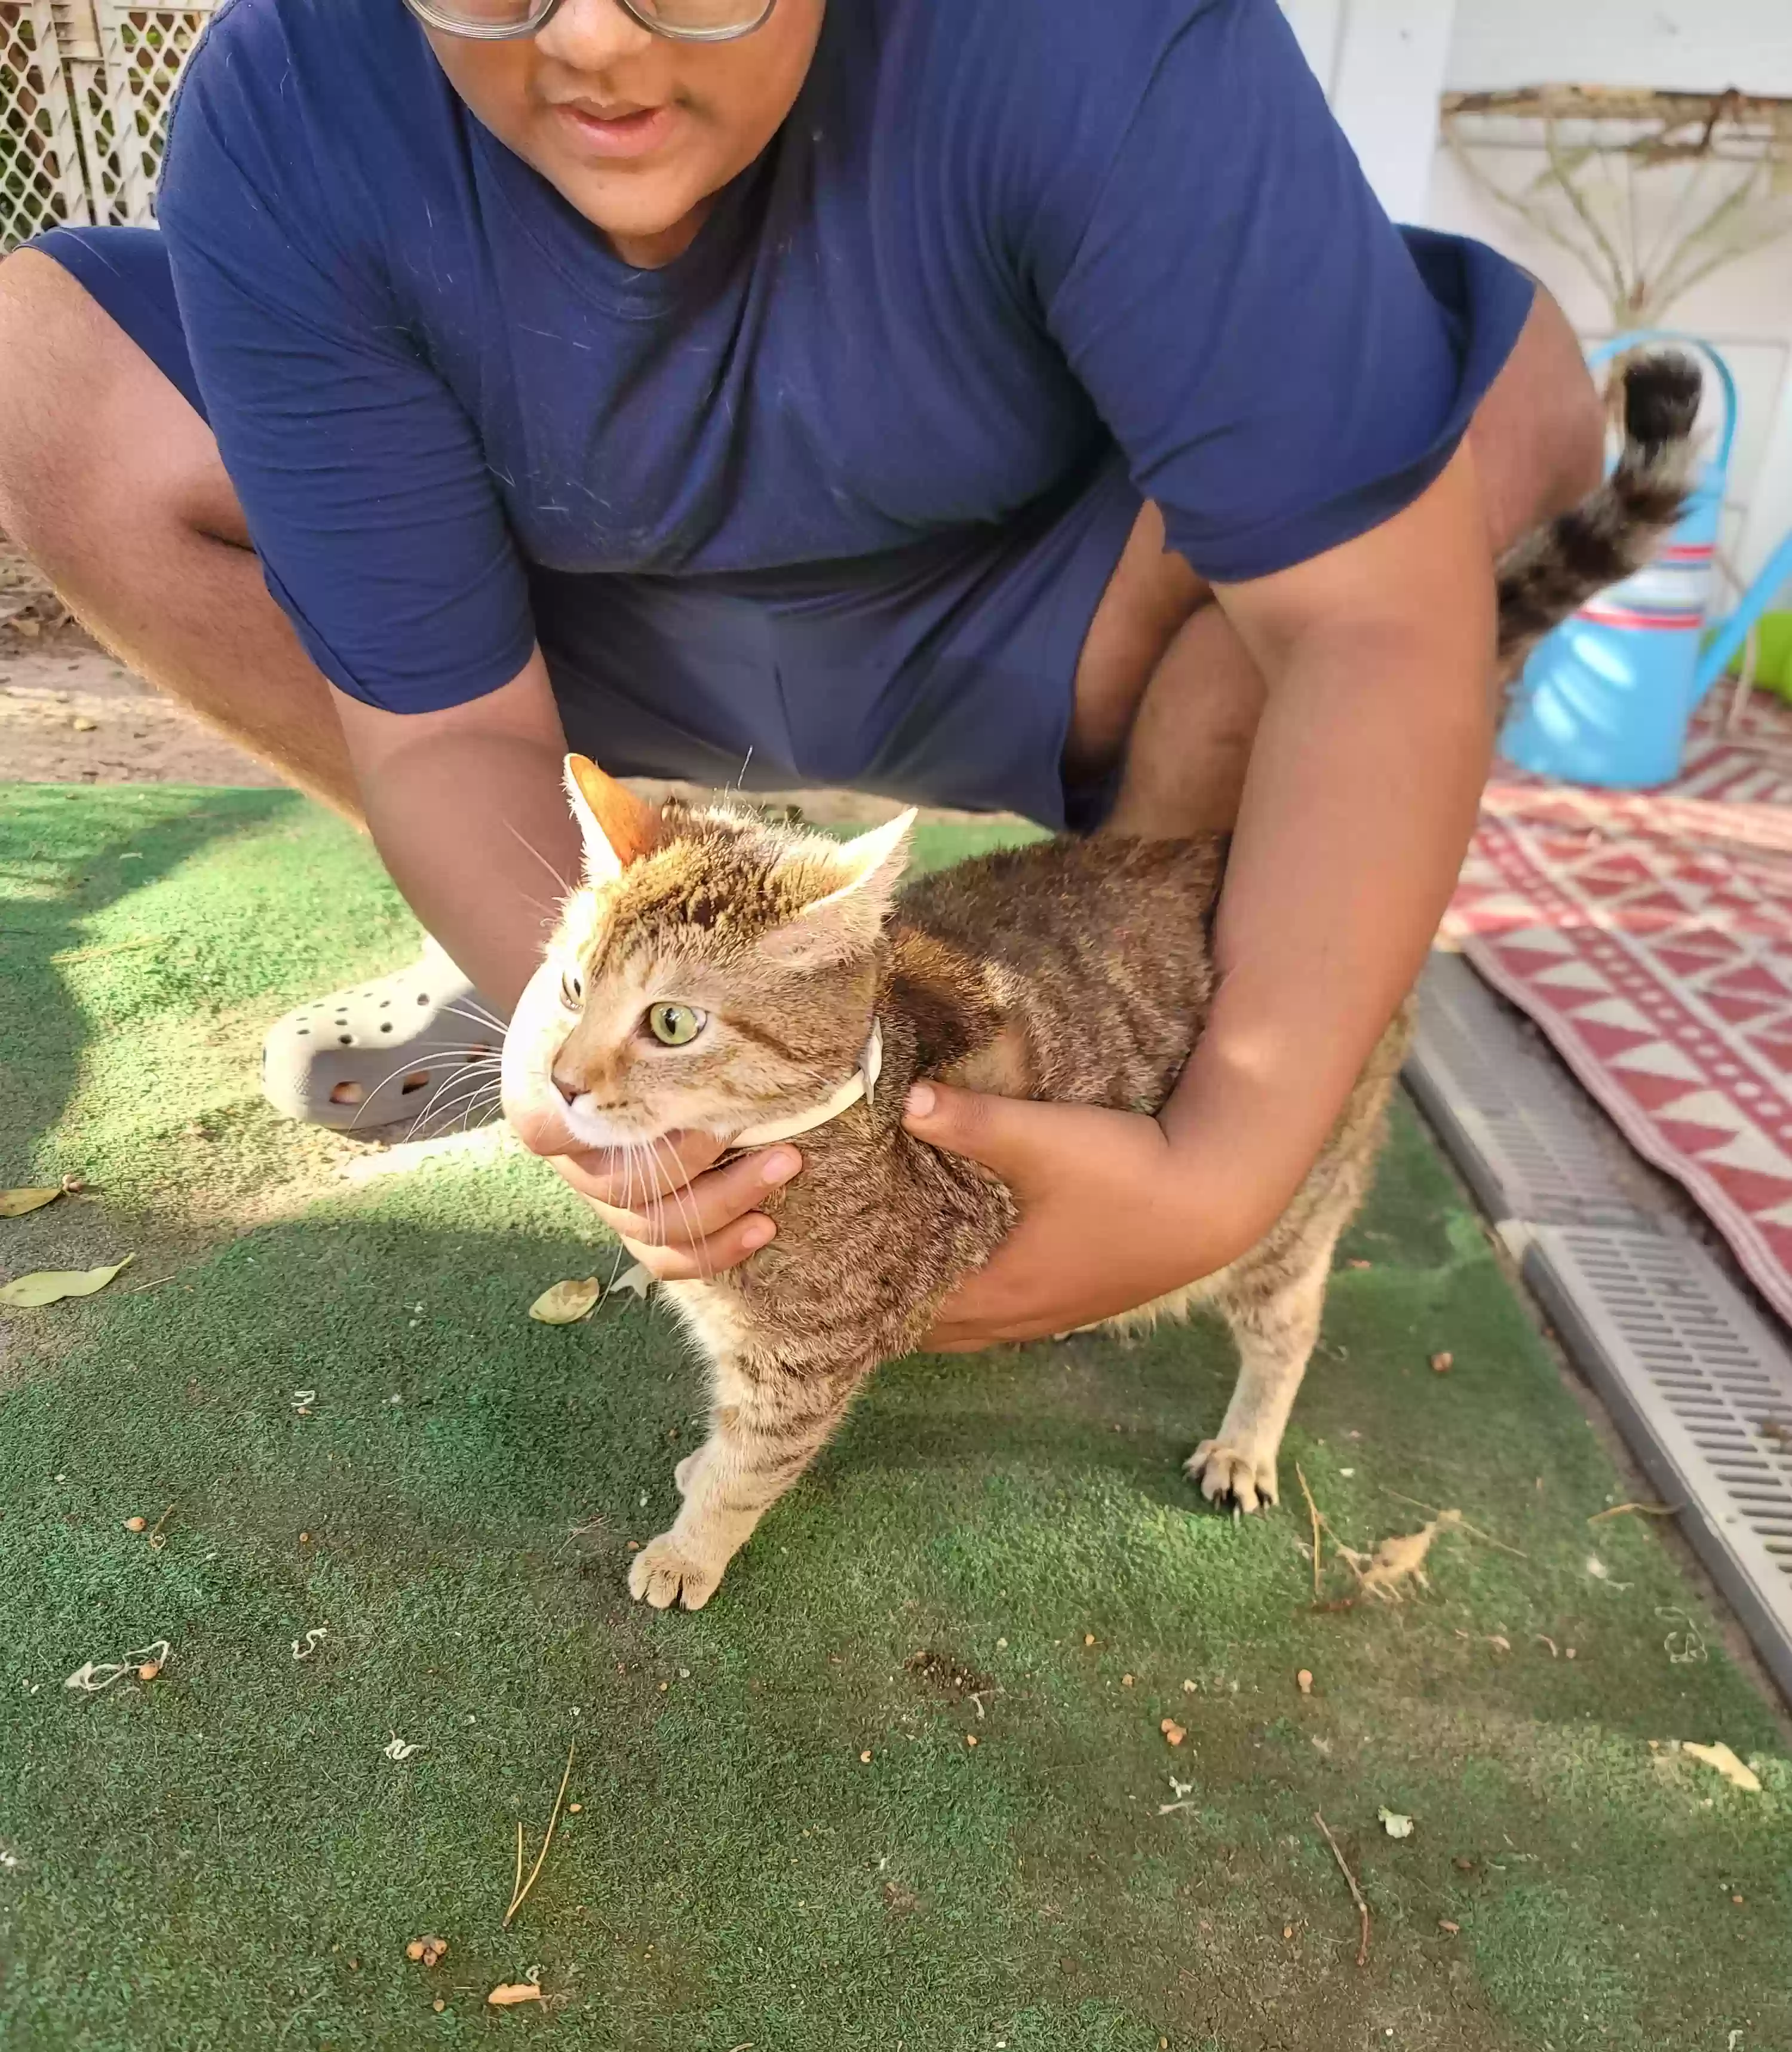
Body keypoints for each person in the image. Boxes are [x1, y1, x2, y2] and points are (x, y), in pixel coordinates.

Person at [0, 0, 1603, 1350]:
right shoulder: (298, 87)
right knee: (43, 372)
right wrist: (607, 1033)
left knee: (1493, 421)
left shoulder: (1087, 39)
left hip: (1054, 616)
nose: (594, 48)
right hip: (578, 633)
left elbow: (1370, 628)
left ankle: (1101, 1065)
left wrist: (1227, 1163)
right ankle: (584, 960)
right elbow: (444, 731)